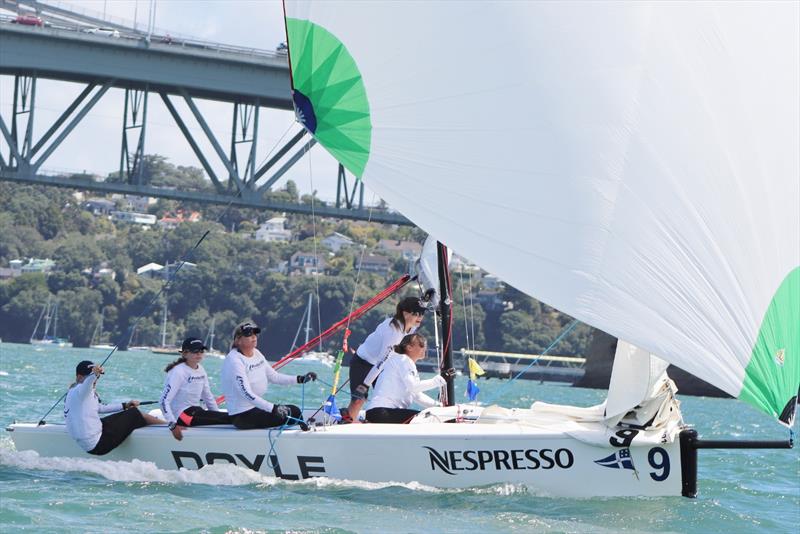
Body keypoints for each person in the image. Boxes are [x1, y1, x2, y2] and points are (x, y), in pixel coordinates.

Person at [343, 296, 426, 423]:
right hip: (363, 362)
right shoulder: (393, 331)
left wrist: (426, 301)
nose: (420, 317)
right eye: (416, 314)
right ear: (405, 313)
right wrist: (365, 385)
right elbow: (381, 362)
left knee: (385, 398)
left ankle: (376, 423)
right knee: (359, 398)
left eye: (422, 314)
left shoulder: (412, 327)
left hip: (380, 366)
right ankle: (347, 423)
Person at [220, 321, 317, 430]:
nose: (254, 337)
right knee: (293, 412)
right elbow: (246, 393)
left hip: (255, 408)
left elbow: (274, 376)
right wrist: (273, 408)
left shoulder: (256, 353)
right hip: (242, 416)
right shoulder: (234, 360)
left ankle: (301, 427)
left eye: (255, 334)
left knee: (294, 411)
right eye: (248, 335)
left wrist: (300, 379)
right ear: (238, 340)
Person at [64, 360, 164, 455]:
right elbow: (87, 384)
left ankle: (157, 425)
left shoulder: (77, 393)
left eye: (98, 378)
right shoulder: (80, 391)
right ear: (79, 377)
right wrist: (94, 375)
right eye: (91, 376)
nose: (95, 381)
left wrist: (125, 405)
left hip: (90, 441)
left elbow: (100, 408)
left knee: (121, 415)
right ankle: (168, 427)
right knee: (135, 413)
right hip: (98, 444)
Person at [365, 333, 449, 424]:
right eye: (421, 345)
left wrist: (439, 406)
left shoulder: (400, 361)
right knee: (432, 418)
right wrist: (440, 380)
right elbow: (414, 387)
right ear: (409, 347)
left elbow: (417, 395)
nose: (425, 348)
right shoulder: (403, 360)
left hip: (377, 413)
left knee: (429, 416)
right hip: (383, 412)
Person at [160, 337, 231, 441]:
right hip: (182, 415)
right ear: (184, 354)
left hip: (195, 411)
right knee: (230, 418)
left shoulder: (201, 370)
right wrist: (172, 426)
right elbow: (163, 401)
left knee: (226, 417)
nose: (199, 353)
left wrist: (217, 414)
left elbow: (208, 397)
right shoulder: (178, 372)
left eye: (201, 350)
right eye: (195, 351)